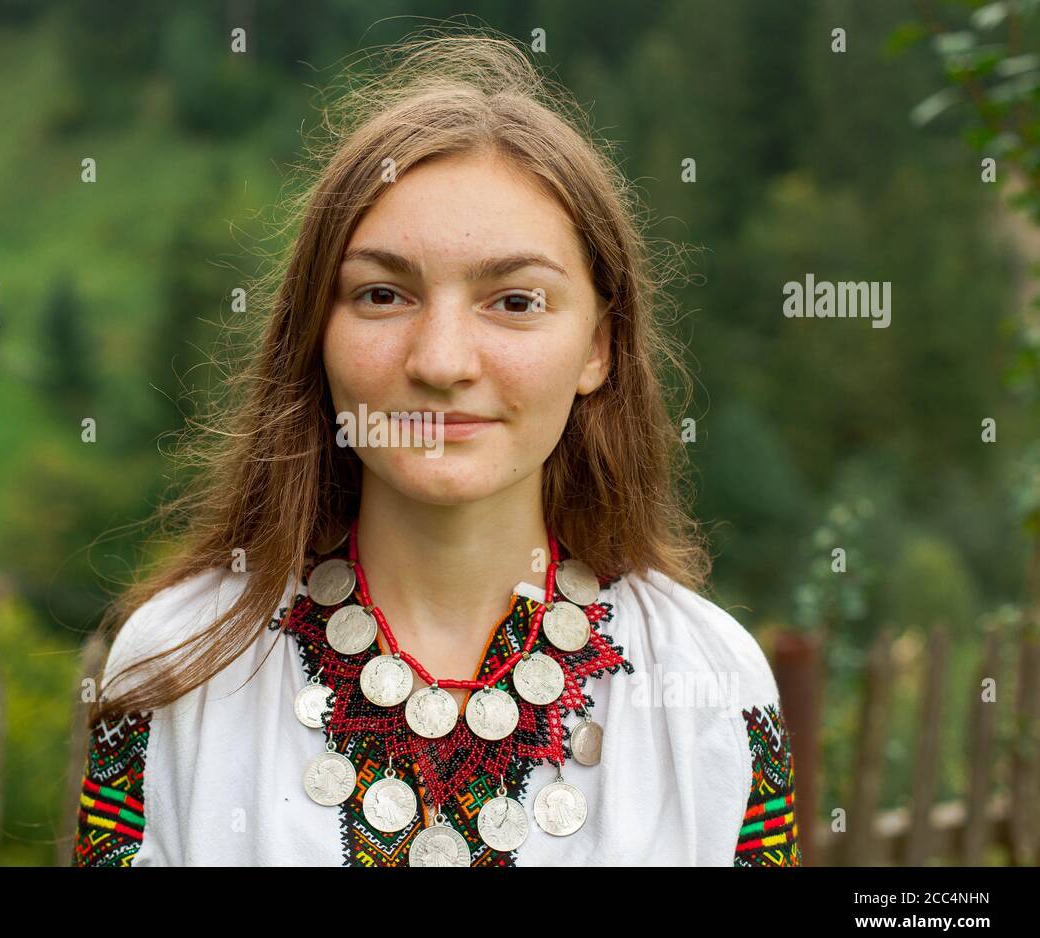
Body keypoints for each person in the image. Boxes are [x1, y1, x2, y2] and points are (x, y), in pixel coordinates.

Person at [71, 30, 801, 868]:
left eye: (516, 300)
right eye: (383, 294)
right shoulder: (176, 667)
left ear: (599, 347)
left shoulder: (710, 685)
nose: (442, 362)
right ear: (316, 331)